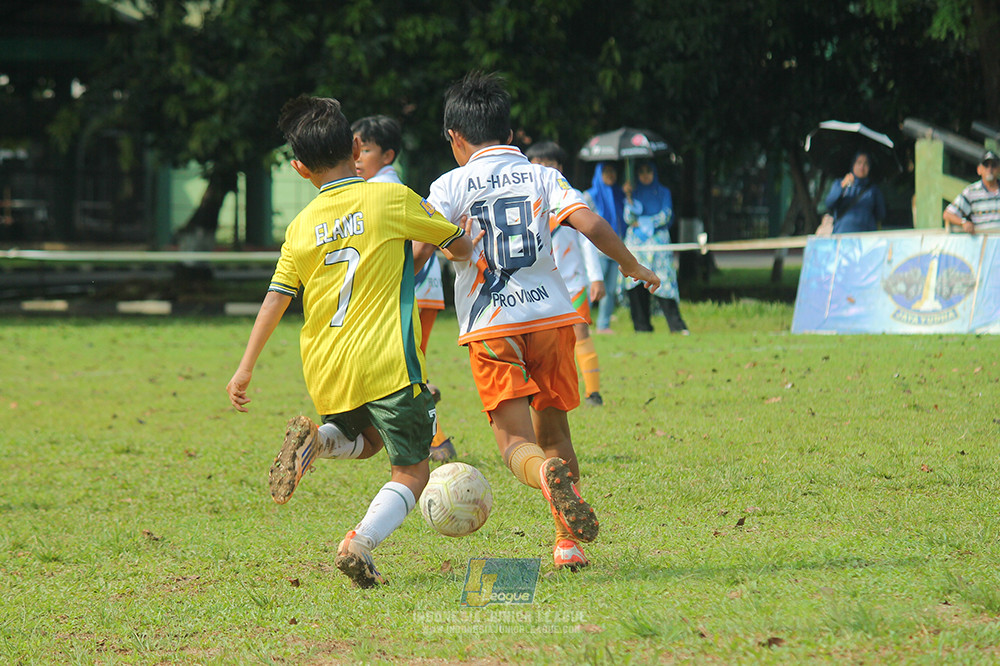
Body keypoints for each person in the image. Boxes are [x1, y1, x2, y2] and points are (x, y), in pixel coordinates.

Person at [226, 96, 472, 589]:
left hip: (328, 367)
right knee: (413, 471)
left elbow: (276, 298)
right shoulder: (390, 198)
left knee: (368, 442)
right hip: (388, 362)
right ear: (356, 148)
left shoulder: (299, 227)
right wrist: (455, 239)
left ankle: (318, 440)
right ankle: (360, 542)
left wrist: (245, 368)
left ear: (299, 169)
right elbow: (458, 246)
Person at [427, 72, 660, 571]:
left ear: (454, 137)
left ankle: (545, 476)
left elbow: (424, 246)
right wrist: (631, 266)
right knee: (555, 431)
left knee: (516, 443)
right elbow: (588, 222)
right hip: (552, 318)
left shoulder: (450, 184)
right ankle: (567, 544)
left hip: (492, 325)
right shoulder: (541, 175)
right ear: (510, 134)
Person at [351, 114, 457, 462]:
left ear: (388, 155)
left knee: (406, 373)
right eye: (354, 150)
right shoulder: (389, 187)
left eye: (366, 150)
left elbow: (420, 244)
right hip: (422, 288)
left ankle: (435, 440)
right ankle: (433, 437)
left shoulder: (381, 190)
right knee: (408, 367)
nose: (357, 159)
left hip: (407, 289)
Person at [525, 141, 607, 407]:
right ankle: (544, 391)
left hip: (573, 282)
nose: (543, 169)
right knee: (543, 341)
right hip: (539, 286)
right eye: (537, 164)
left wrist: (596, 277)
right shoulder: (523, 200)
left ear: (559, 168)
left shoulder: (574, 197)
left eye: (549, 164)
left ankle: (593, 392)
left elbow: (588, 239)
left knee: (580, 332)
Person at [621, 161, 689, 334]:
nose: (645, 175)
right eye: (641, 172)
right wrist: (628, 197)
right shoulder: (633, 193)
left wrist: (644, 222)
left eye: (648, 171)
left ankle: (676, 326)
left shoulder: (663, 192)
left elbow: (666, 215)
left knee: (663, 283)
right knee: (636, 283)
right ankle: (641, 326)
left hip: (658, 245)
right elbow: (628, 218)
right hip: (637, 246)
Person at [583, 162, 626, 333]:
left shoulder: (619, 194)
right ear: (599, 174)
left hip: (615, 249)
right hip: (596, 250)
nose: (610, 175)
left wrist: (629, 195)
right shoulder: (589, 196)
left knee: (610, 289)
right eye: (606, 172)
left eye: (613, 171)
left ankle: (603, 324)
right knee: (592, 286)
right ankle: (581, 323)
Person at [822, 151, 886, 234]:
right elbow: (829, 203)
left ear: (869, 168)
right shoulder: (839, 184)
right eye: (859, 162)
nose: (862, 166)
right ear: (853, 165)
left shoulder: (873, 190)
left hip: (865, 237)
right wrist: (842, 186)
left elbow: (881, 214)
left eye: (866, 164)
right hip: (842, 235)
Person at [943, 149, 1000, 233]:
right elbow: (948, 214)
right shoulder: (971, 192)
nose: (989, 169)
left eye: (993, 165)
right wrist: (963, 222)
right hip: (982, 240)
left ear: (999, 169)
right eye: (986, 165)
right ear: (979, 170)